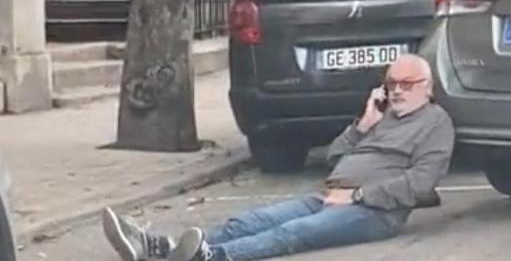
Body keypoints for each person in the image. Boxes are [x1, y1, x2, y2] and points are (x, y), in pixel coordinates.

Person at [102, 54, 455, 261]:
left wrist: (360, 195)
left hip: (375, 213)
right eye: (391, 83)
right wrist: (362, 125)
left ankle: (208, 256)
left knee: (293, 231)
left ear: (428, 86)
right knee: (247, 221)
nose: (396, 91)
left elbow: (420, 185)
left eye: (406, 85)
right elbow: (334, 156)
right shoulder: (379, 117)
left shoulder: (436, 125)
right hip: (328, 197)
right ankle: (157, 247)